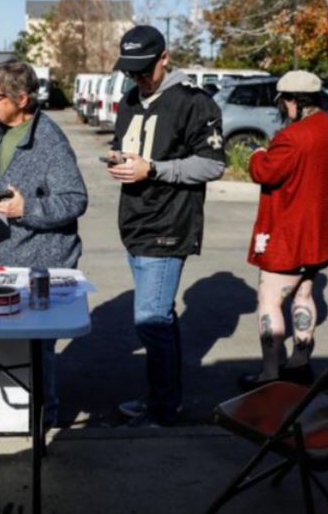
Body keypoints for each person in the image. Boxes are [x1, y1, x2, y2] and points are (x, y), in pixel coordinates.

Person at [106, 25, 225, 426]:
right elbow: (135, 151)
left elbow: (212, 164)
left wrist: (154, 169)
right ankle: (163, 399)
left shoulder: (193, 102)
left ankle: (163, 410)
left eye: (144, 69)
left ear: (164, 58)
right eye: (130, 70)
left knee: (151, 321)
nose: (137, 78)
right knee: (161, 320)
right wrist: (121, 161)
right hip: (135, 223)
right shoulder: (128, 100)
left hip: (169, 225)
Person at [0, 60, 88, 426]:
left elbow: (75, 199)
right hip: (0, 256)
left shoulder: (50, 140)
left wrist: (26, 208)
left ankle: (43, 417)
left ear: (22, 98)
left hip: (39, 263)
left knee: (38, 349)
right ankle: (11, 413)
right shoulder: (1, 131)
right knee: (3, 345)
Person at [239, 71, 328, 390]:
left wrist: (256, 154)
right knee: (305, 294)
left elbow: (265, 172)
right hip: (317, 231)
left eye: (284, 101)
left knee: (269, 300)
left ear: (293, 100)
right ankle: (299, 364)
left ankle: (270, 374)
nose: (283, 107)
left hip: (288, 234)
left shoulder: (292, 137)